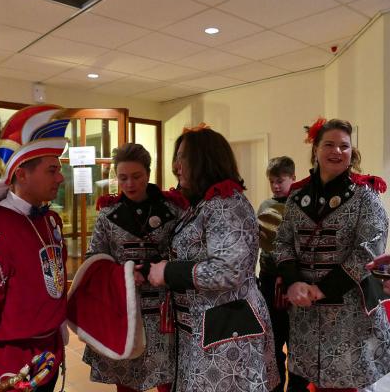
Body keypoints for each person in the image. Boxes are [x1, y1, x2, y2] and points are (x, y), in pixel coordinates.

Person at [148, 127, 279, 392]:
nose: (176, 166)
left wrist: (169, 272)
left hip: (227, 332)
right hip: (203, 329)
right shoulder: (202, 205)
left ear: (204, 159)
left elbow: (228, 271)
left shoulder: (227, 203)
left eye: (183, 157)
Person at [273, 118, 390, 392]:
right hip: (305, 312)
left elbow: (368, 252)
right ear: (315, 149)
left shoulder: (366, 196)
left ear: (352, 152)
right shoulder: (296, 196)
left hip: (350, 313)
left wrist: (321, 289)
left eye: (344, 146)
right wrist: (294, 282)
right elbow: (282, 243)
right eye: (329, 144)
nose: (336, 151)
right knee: (316, 381)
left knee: (349, 383)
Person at [81, 143, 178, 392]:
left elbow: (184, 252)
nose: (130, 184)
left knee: (170, 378)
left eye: (137, 177)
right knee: (126, 379)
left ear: (148, 173)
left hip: (165, 309)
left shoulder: (173, 211)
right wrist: (124, 273)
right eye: (123, 178)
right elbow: (95, 260)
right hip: (125, 306)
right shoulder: (107, 215)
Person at [0, 104, 70, 392]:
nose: (60, 178)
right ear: (21, 175)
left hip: (48, 353)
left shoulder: (51, 219)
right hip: (9, 365)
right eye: (52, 170)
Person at [257, 156, 309, 392]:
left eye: (280, 181)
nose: (276, 186)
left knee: (297, 340)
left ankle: (297, 388)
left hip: (295, 280)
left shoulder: (300, 205)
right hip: (268, 281)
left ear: (293, 178)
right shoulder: (265, 206)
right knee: (273, 340)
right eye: (272, 182)